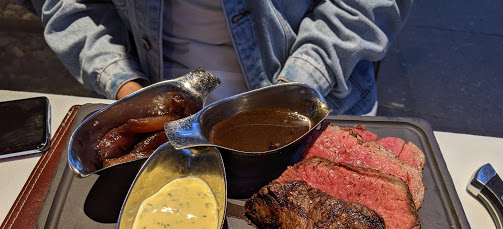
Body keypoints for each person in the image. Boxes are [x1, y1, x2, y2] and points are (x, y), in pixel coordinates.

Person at [25, 0, 412, 116]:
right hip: (166, 116)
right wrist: (129, 88)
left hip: (317, 102)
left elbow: (365, 7)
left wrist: (290, 95)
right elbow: (71, 6)